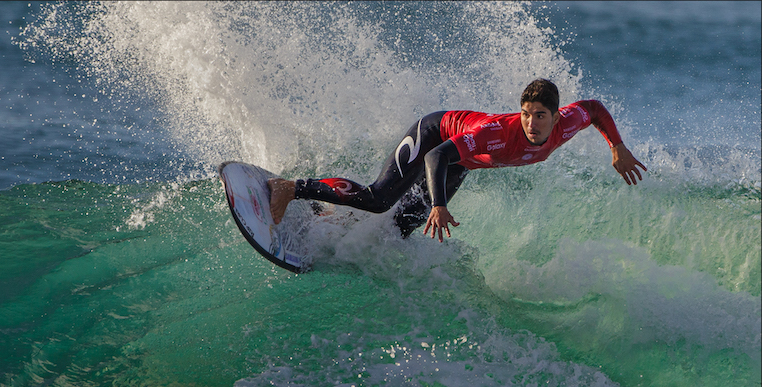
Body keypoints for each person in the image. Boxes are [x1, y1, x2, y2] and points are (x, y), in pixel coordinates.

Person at [268, 79, 647, 243]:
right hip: (435, 135)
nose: (531, 123)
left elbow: (594, 108)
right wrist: (439, 204)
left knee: (402, 226)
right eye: (526, 114)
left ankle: (332, 221)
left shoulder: (569, 122)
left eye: (540, 116)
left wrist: (617, 146)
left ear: (555, 116)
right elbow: (437, 155)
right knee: (380, 198)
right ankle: (292, 187)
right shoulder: (498, 133)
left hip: (460, 163)